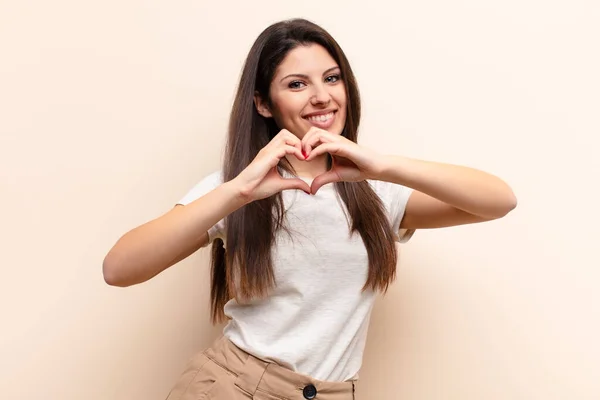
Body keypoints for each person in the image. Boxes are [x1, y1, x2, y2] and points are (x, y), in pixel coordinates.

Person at [103, 18, 517, 400]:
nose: (322, 96)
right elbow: (119, 269)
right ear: (264, 104)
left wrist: (383, 165)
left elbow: (499, 201)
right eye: (297, 84)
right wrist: (239, 191)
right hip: (233, 387)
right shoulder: (234, 188)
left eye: (332, 78)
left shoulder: (374, 191)